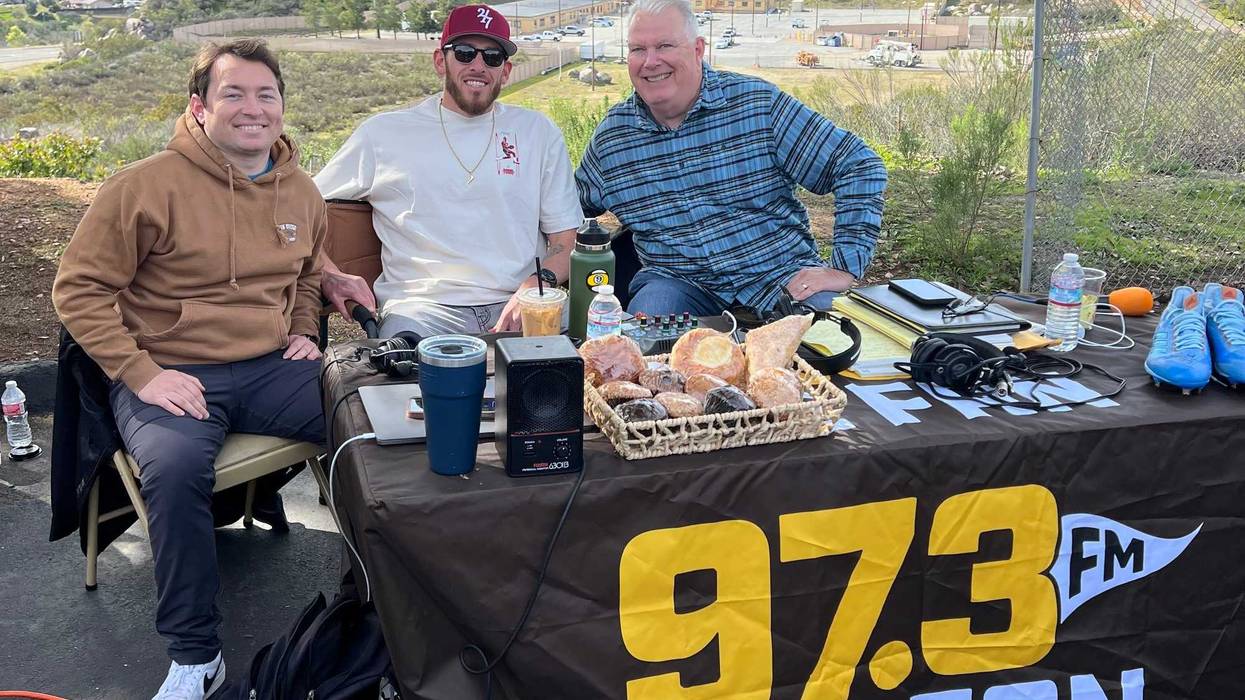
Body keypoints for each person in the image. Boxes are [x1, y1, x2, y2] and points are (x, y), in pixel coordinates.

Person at [52, 39, 326, 700]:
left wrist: (298, 331)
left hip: (269, 367)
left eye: (266, 94)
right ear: (199, 107)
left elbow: (310, 275)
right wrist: (140, 374)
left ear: (282, 109)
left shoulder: (302, 190)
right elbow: (77, 290)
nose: (251, 108)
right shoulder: (143, 188)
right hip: (170, 372)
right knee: (173, 473)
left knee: (365, 417)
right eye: (233, 93)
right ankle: (196, 656)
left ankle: (388, 598)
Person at [575, 0, 888, 317]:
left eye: (665, 46)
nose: (650, 61)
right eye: (638, 49)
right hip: (677, 285)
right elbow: (561, 207)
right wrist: (535, 278)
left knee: (829, 335)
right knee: (648, 330)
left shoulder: (756, 105)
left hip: (781, 277)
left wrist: (845, 267)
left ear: (698, 49)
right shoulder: (613, 140)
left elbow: (858, 165)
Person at [316, 4, 583, 337]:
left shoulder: (536, 132)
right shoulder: (383, 134)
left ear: (507, 70)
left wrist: (535, 286)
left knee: (592, 361)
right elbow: (295, 206)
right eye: (465, 53)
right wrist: (328, 273)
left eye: (492, 57)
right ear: (440, 61)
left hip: (521, 302)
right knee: (408, 379)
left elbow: (565, 238)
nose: (479, 66)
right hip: (423, 311)